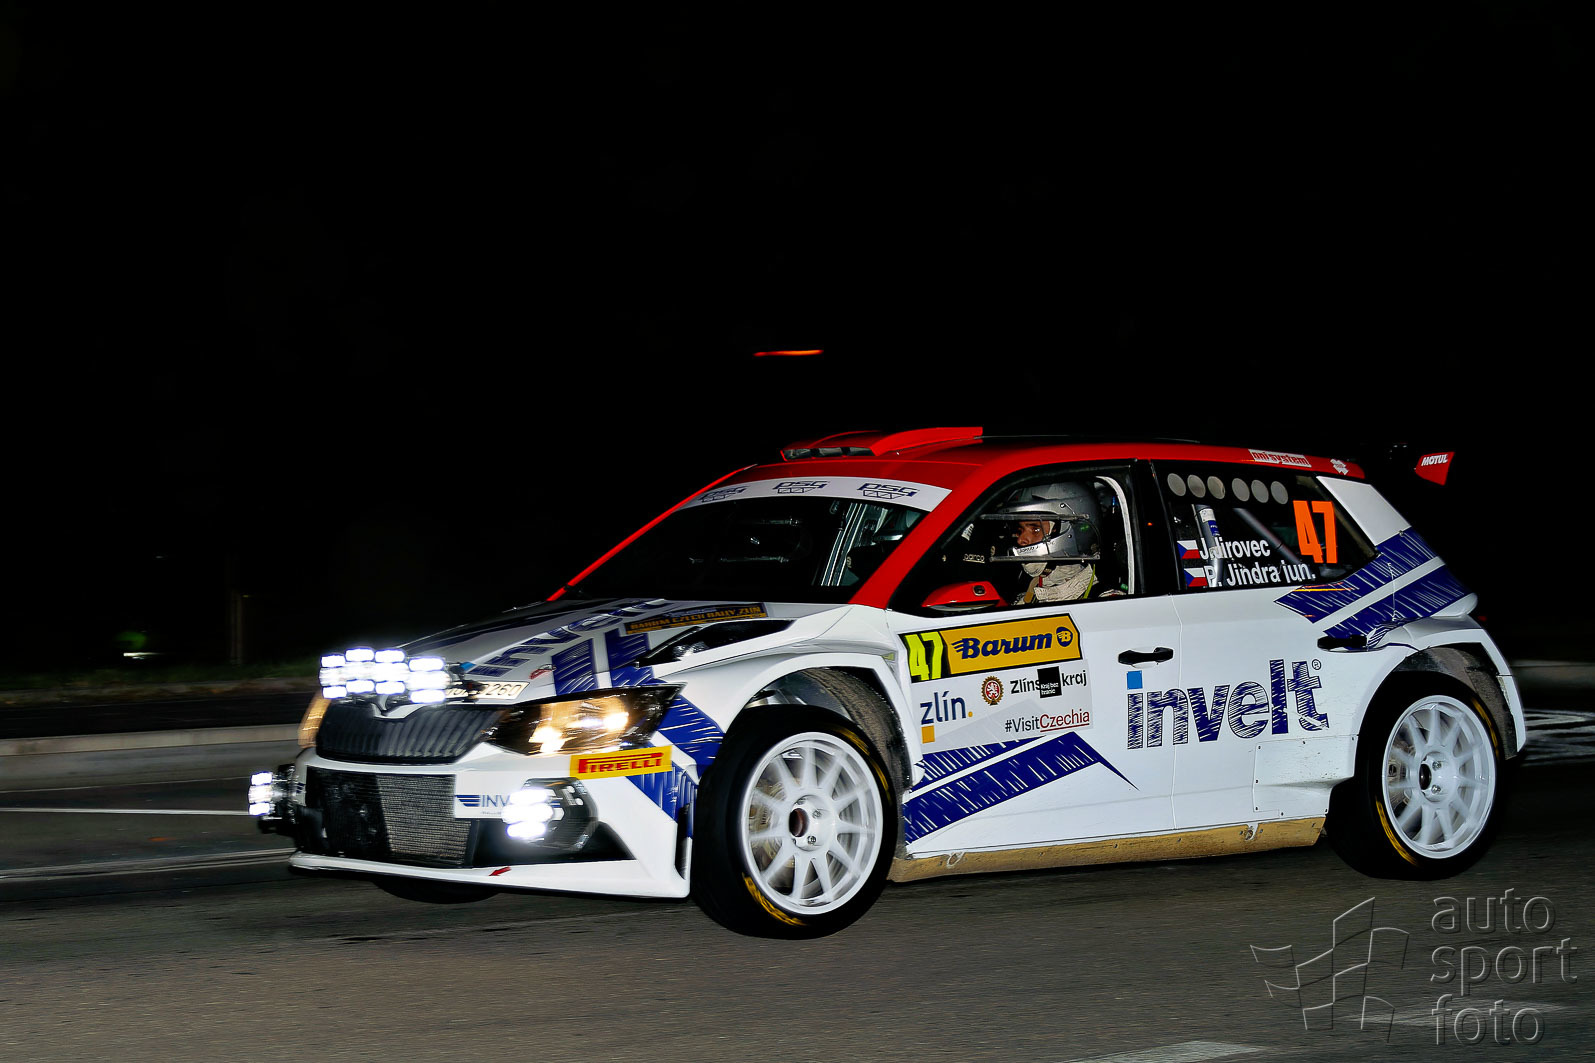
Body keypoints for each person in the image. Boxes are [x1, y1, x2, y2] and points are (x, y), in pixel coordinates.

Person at [986, 481, 1112, 603]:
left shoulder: (1104, 603)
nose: (1020, 540)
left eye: (1036, 529)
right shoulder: (1028, 592)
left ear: (1072, 530)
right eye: (1019, 530)